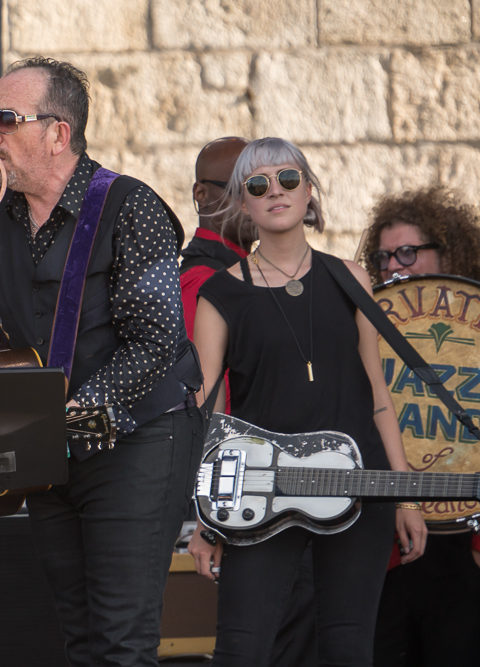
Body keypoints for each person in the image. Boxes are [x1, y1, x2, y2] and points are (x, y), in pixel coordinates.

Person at [0, 57, 202, 667]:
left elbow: (156, 341)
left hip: (138, 440)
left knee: (122, 639)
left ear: (58, 133)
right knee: (80, 637)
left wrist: (67, 412)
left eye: (5, 119)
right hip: (48, 453)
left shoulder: (128, 206)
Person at [186, 137, 428, 666]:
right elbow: (207, 413)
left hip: (357, 486)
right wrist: (209, 518)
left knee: (348, 647)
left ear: (310, 191)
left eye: (289, 179)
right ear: (242, 202)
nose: (276, 191)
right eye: (258, 184)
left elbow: (377, 395)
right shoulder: (220, 293)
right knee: (242, 649)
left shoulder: (350, 278)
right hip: (260, 492)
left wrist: (406, 496)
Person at [181, 137, 317, 667]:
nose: (257, 196)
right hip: (253, 490)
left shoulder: (260, 272)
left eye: (276, 182)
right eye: (243, 186)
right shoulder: (205, 281)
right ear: (205, 195)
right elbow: (218, 405)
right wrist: (214, 519)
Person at [360, 186, 480, 667]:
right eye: (385, 255)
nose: (394, 265)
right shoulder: (363, 323)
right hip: (391, 536)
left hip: (463, 539)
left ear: (447, 252)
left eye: (408, 251)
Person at [180, 136, 255, 339]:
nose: (256, 201)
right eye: (240, 189)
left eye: (259, 187)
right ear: (201, 194)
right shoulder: (201, 283)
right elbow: (201, 370)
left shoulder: (244, 269)